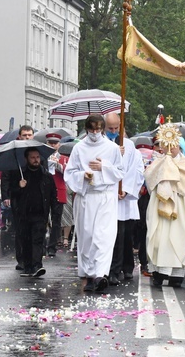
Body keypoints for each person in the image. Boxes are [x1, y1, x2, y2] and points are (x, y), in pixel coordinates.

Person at [64, 114, 124, 292]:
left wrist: (103, 167)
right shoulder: (79, 148)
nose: (95, 132)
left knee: (103, 236)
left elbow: (120, 172)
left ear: (103, 129)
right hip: (86, 196)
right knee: (87, 235)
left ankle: (101, 274)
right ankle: (88, 274)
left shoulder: (112, 148)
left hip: (105, 196)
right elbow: (70, 172)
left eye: (98, 129)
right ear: (87, 129)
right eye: (92, 129)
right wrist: (83, 175)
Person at [146, 123, 185, 287]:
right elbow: (149, 178)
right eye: (166, 144)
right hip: (160, 206)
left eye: (174, 145)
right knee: (160, 237)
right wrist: (163, 173)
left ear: (179, 145)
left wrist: (174, 177)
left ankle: (177, 273)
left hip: (181, 206)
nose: (171, 148)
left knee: (179, 236)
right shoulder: (158, 163)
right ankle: (159, 271)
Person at [104, 113, 144, 285]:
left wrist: (126, 190)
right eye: (110, 129)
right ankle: (111, 269)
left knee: (124, 235)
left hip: (124, 199)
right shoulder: (103, 145)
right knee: (113, 236)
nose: (113, 131)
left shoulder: (129, 145)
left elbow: (136, 170)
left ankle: (123, 268)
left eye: (116, 128)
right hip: (107, 196)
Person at [10, 148, 61, 277]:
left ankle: (37, 265)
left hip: (40, 213)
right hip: (24, 213)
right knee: (26, 240)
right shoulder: (20, 174)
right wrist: (19, 187)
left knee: (38, 239)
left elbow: (52, 195)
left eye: (37, 157)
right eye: (32, 157)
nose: (36, 160)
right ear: (27, 159)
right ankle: (28, 267)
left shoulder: (46, 175)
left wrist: (54, 211)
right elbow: (12, 193)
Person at [1, 125, 35, 270]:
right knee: (20, 229)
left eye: (29, 135)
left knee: (34, 228)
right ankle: (21, 258)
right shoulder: (13, 153)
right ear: (19, 136)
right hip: (17, 196)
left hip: (34, 197)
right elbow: (6, 177)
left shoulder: (37, 151)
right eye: (24, 135)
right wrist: (6, 195)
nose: (27, 138)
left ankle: (33, 257)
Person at [44, 133, 67, 257]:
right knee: (43, 219)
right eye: (50, 142)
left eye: (55, 143)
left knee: (56, 220)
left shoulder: (63, 158)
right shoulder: (42, 157)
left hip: (58, 190)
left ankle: (52, 246)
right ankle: (42, 245)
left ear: (59, 144)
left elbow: (67, 173)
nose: (53, 145)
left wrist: (57, 164)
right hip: (45, 190)